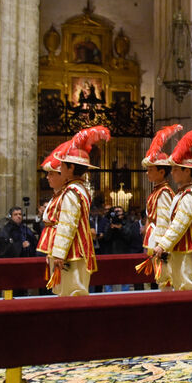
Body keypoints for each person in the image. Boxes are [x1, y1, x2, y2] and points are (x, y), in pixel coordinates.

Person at [38, 126, 110, 296]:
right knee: (70, 292)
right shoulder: (77, 189)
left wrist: (59, 254)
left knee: (71, 292)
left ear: (71, 168)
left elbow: (67, 225)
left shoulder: (71, 192)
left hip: (73, 250)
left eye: (62, 164)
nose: (59, 167)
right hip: (75, 247)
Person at [152, 127, 192, 290]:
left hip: (186, 248)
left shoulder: (189, 195)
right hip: (179, 248)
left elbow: (180, 224)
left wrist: (163, 244)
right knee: (179, 285)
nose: (171, 173)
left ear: (187, 171)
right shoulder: (182, 194)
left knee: (186, 286)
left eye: (175, 169)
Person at [136, 123, 182, 289]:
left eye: (150, 170)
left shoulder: (164, 192)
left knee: (164, 279)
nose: (147, 173)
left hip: (158, 241)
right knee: (154, 279)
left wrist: (161, 245)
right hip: (152, 238)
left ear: (162, 172)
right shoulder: (157, 191)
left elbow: (164, 221)